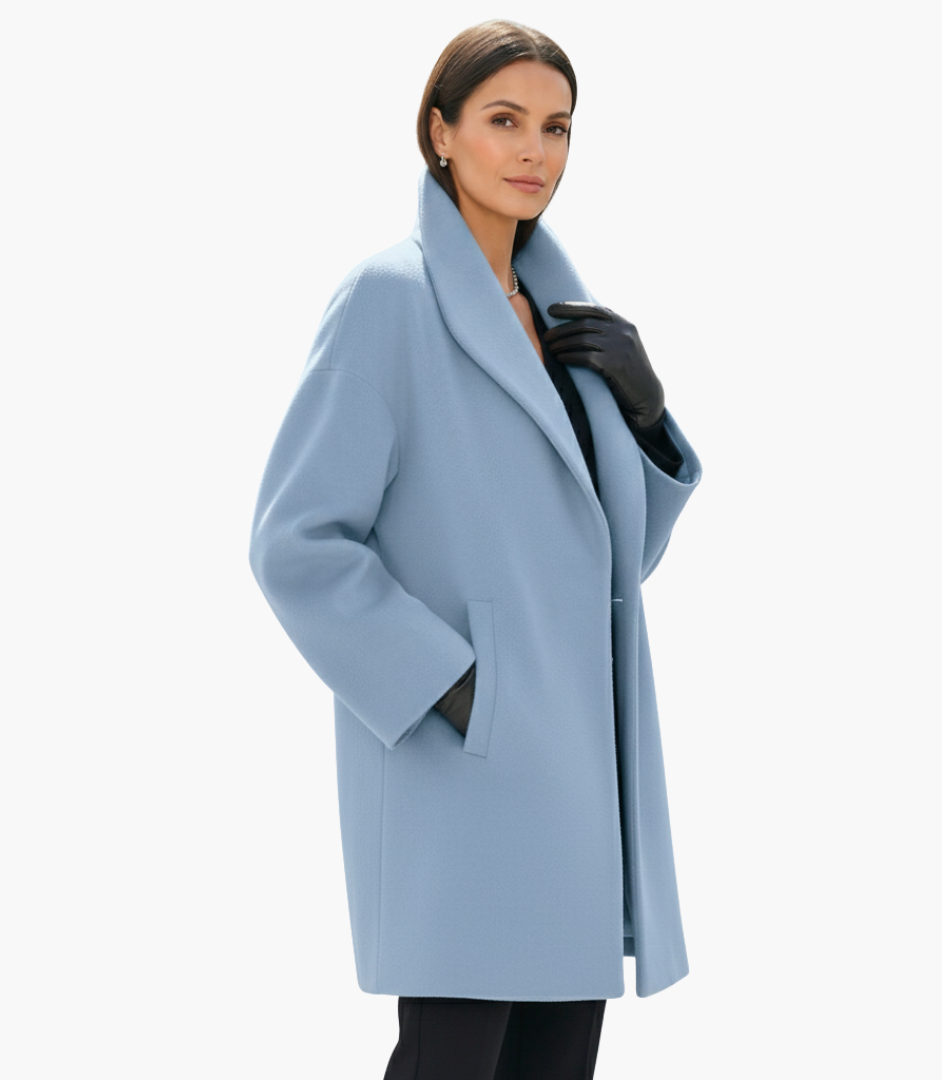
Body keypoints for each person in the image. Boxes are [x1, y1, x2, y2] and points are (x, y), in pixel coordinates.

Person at [248, 19, 703, 1080]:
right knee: (453, 1058)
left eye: (557, 127)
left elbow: (609, 565)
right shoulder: (388, 301)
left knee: (553, 1063)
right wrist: (457, 687)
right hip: (464, 768)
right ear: (440, 133)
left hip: (579, 772)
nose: (535, 150)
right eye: (505, 120)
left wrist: (644, 416)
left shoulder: (567, 326)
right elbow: (296, 542)